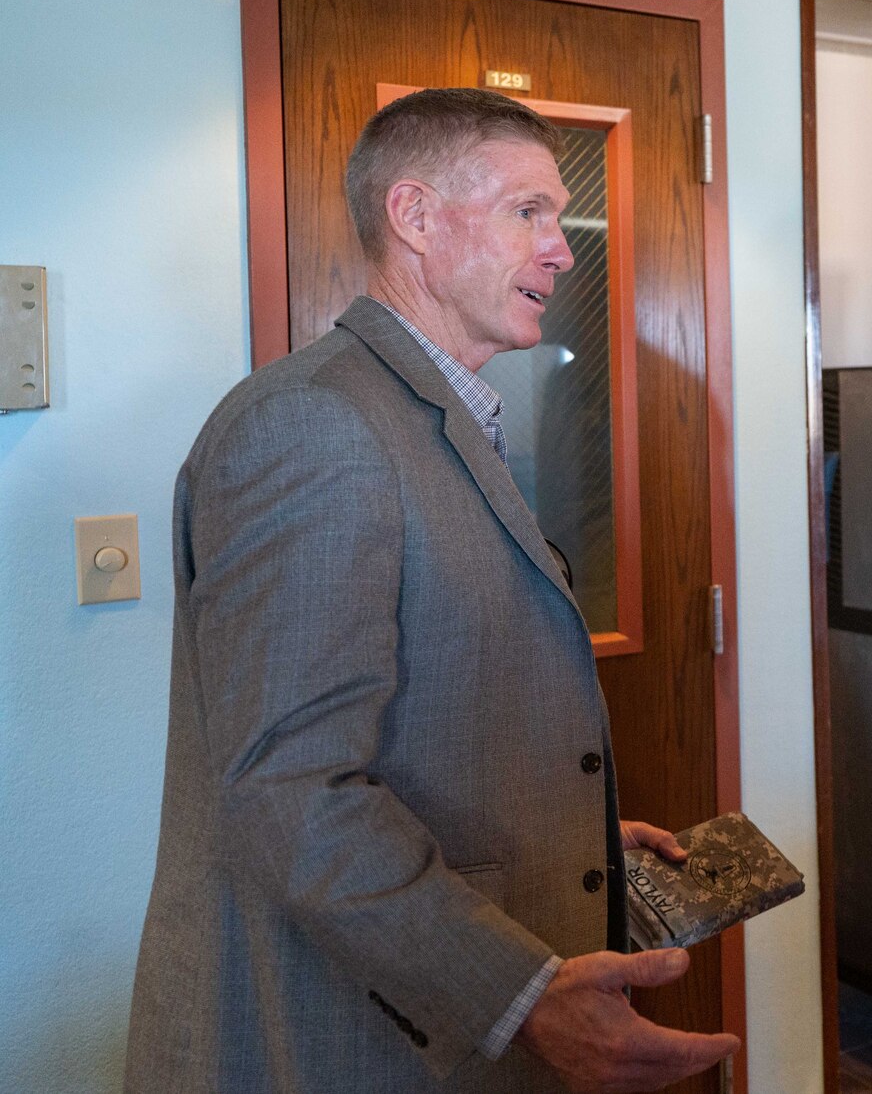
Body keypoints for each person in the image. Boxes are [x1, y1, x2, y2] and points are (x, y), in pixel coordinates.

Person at [125, 88, 738, 1094]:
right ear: (413, 215)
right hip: (348, 1037)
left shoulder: (432, 413)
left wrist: (555, 822)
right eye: (528, 211)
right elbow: (292, 787)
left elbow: (425, 702)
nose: (563, 248)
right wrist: (520, 993)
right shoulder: (317, 426)